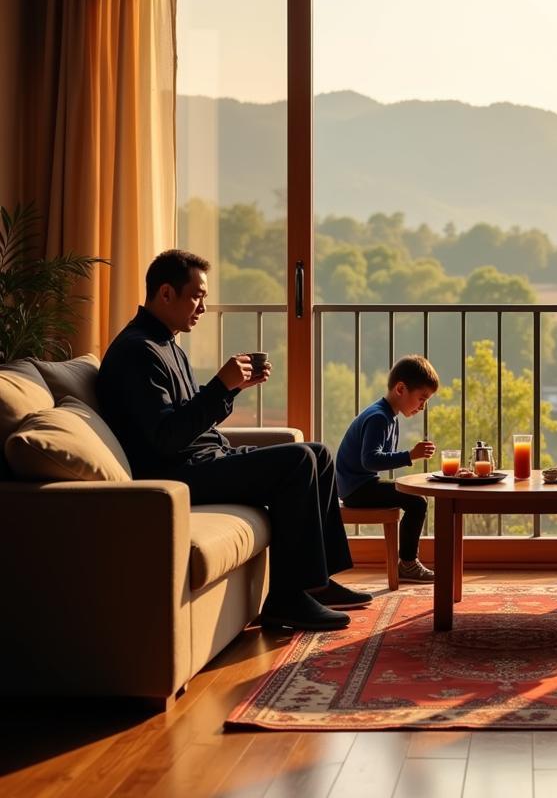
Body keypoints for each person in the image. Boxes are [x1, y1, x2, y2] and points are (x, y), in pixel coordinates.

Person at [97, 250, 372, 633]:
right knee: (298, 462)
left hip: (204, 457)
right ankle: (286, 599)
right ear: (165, 293)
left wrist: (232, 388)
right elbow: (164, 438)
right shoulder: (137, 352)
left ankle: (317, 582)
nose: (203, 307)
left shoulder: (166, 343)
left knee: (318, 453)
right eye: (197, 296)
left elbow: (188, 416)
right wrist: (220, 386)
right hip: (176, 473)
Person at [336, 355, 439, 582]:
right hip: (357, 489)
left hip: (358, 486)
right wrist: (410, 456)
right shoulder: (379, 418)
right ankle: (409, 564)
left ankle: (408, 562)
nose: (422, 407)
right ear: (401, 389)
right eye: (421, 399)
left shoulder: (387, 415)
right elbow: (370, 461)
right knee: (417, 501)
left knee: (414, 496)